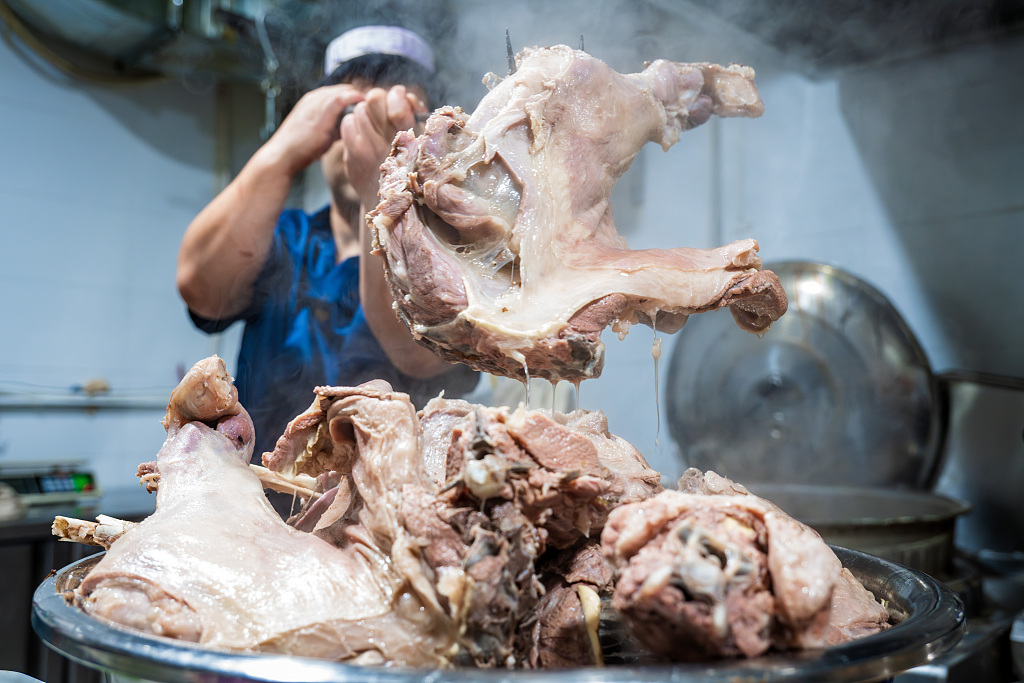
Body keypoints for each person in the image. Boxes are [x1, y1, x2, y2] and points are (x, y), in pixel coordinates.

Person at [176, 25, 479, 474]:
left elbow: (418, 352)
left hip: (390, 517)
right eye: (353, 112)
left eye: (400, 122)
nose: (369, 133)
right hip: (260, 510)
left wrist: (386, 181)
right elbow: (200, 284)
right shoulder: (286, 237)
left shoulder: (453, 258)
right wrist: (283, 149)